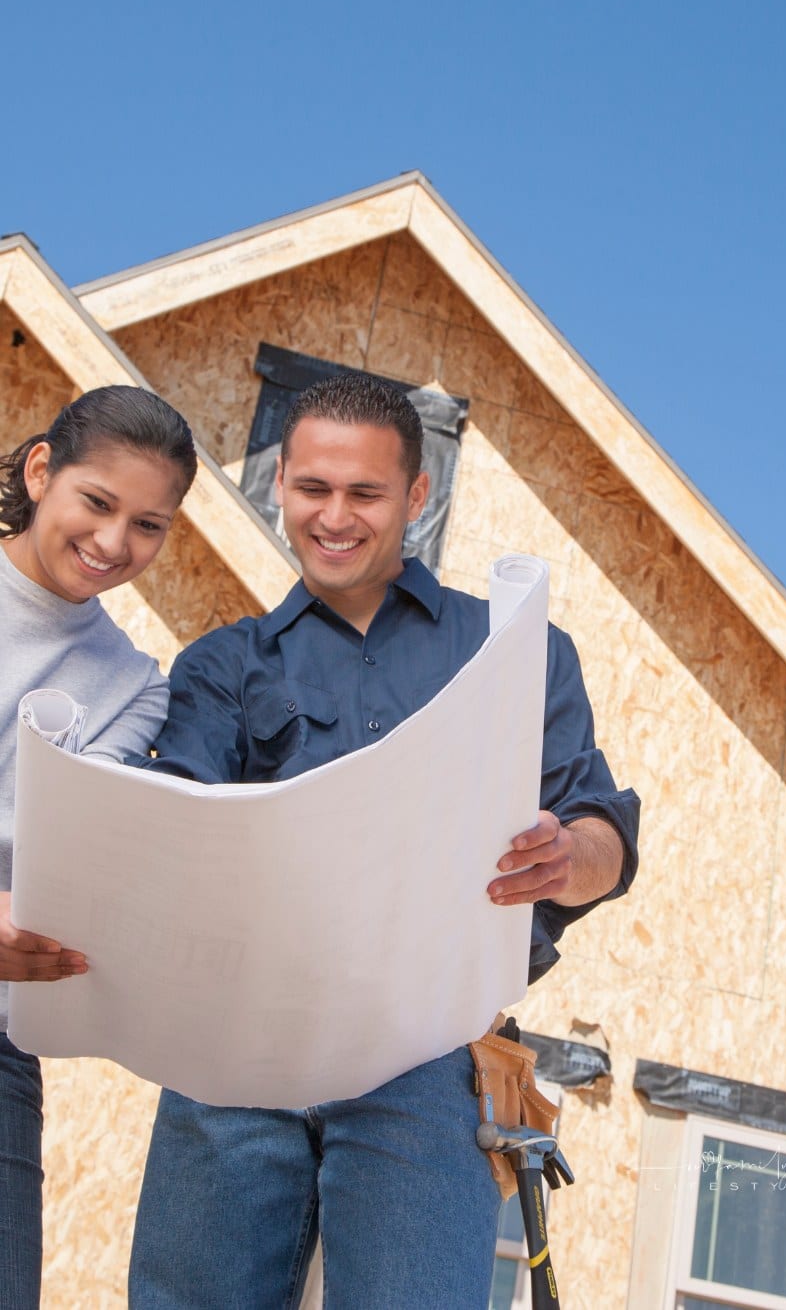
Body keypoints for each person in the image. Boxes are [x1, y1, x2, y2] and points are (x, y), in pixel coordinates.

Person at [129, 372, 639, 1310]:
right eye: (313, 488)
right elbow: (176, 830)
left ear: (417, 495)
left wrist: (571, 855)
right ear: (280, 482)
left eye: (364, 493)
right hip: (239, 1046)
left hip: (429, 1054)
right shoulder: (222, 664)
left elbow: (602, 826)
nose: (335, 516)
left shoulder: (512, 653)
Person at [0, 385, 197, 1309]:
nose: (117, 544)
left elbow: (67, 854)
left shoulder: (134, 688)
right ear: (42, 472)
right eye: (98, 503)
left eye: (149, 524)